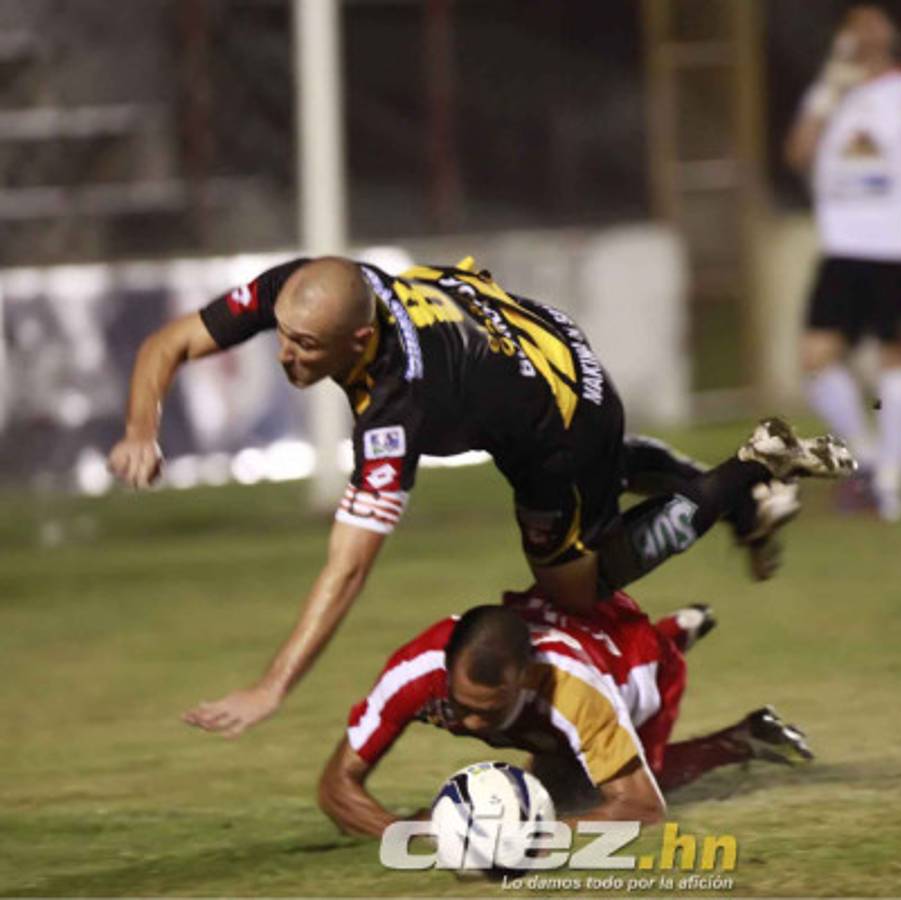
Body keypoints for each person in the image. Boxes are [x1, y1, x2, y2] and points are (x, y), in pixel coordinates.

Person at [108, 255, 853, 737]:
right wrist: (142, 429)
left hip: (559, 415)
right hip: (528, 340)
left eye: (307, 347)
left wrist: (272, 687)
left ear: (360, 341)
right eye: (285, 334)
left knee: (577, 587)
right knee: (602, 472)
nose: (286, 354)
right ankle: (733, 492)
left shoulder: (395, 405)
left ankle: (745, 474)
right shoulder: (309, 285)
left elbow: (349, 568)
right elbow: (165, 345)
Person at [317, 593, 813, 835]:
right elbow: (335, 787)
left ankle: (742, 737)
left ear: (528, 680)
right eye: (460, 707)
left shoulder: (574, 692)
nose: (468, 726)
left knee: (588, 794)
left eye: (487, 714)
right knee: (543, 794)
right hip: (582, 641)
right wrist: (411, 835)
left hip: (636, 672)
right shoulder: (416, 671)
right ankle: (678, 627)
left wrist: (518, 838)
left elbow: (642, 809)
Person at [785, 5, 901, 521]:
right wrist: (828, 91)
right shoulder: (830, 94)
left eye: (875, 20)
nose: (865, 30)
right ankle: (867, 459)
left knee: (895, 358)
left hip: (896, 247)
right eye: (855, 22)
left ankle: (890, 486)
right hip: (842, 247)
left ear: (891, 30)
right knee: (815, 359)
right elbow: (798, 153)